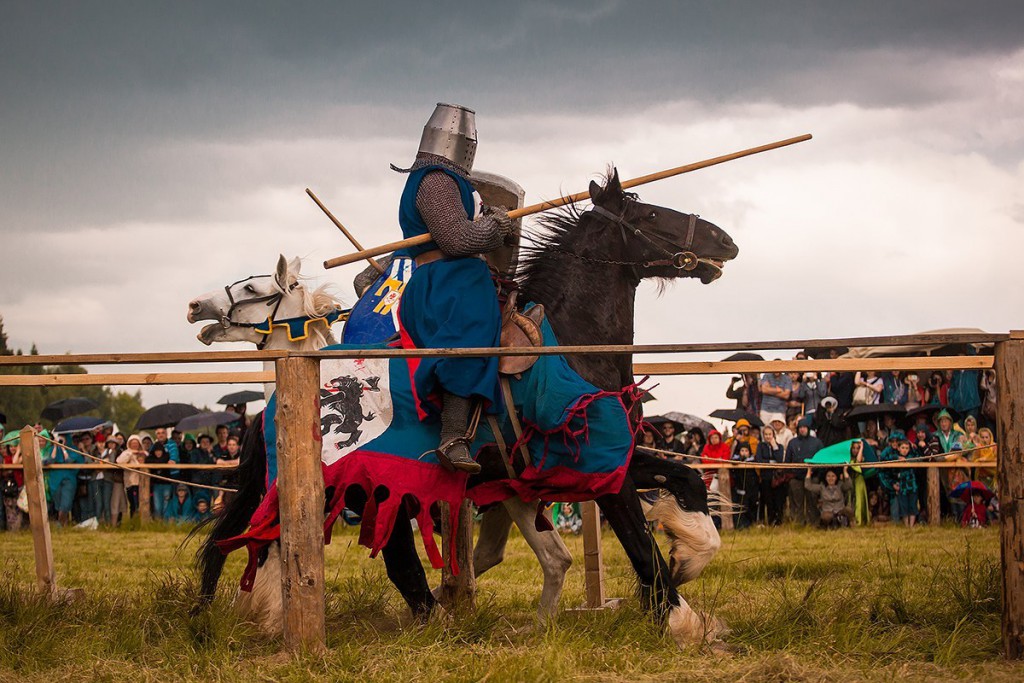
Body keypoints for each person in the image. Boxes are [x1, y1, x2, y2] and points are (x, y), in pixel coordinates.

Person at [390, 103, 514, 474]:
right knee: (468, 335)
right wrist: (496, 227)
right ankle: (453, 435)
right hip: (448, 284)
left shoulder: (448, 181)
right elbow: (457, 239)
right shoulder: (436, 180)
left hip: (459, 279)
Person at [784, 418, 824, 525]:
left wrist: (819, 476)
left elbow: (822, 460)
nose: (802, 430)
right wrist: (790, 475)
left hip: (812, 477)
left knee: (812, 502)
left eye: (804, 427)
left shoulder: (817, 442)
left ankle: (814, 523)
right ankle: (797, 523)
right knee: (797, 502)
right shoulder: (792, 443)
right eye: (800, 427)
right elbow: (787, 461)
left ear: (808, 428)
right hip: (796, 478)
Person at [44, 436, 83, 526]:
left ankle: (61, 524)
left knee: (66, 502)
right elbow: (50, 460)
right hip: (55, 479)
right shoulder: (52, 449)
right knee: (58, 502)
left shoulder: (73, 449)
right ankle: (62, 525)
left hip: (69, 478)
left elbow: (69, 460)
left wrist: (63, 448)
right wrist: (55, 446)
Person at [879, 439, 918, 527]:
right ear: (899, 448)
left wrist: (909, 456)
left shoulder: (912, 456)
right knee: (904, 506)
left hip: (912, 486)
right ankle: (906, 525)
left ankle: (911, 526)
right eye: (903, 448)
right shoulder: (894, 458)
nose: (905, 450)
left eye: (907, 448)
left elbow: (919, 458)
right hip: (901, 487)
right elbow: (890, 472)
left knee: (913, 505)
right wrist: (894, 483)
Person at [755, 425, 786, 526]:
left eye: (770, 434)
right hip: (765, 477)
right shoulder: (760, 446)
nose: (768, 436)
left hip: (777, 478)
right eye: (766, 434)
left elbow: (779, 460)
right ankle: (768, 521)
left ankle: (778, 522)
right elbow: (759, 460)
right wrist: (771, 462)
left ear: (773, 435)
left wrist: (774, 447)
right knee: (768, 501)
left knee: (778, 500)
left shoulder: (779, 447)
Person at [116, 434, 147, 518]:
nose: (134, 445)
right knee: (133, 503)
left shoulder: (143, 453)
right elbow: (119, 461)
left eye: (136, 443)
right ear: (129, 444)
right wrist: (131, 453)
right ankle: (133, 521)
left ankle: (142, 521)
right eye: (133, 443)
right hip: (131, 483)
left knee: (142, 503)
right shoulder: (126, 453)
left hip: (142, 482)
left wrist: (141, 454)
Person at [730, 443, 758, 529]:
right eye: (742, 451)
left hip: (751, 489)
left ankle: (750, 523)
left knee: (750, 506)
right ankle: (740, 525)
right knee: (738, 507)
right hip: (739, 489)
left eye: (746, 451)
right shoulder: (735, 461)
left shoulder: (753, 461)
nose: (744, 453)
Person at [97, 436, 122, 525]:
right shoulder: (95, 452)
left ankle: (108, 524)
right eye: (109, 443)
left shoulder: (114, 452)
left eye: (113, 443)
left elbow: (111, 462)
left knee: (107, 503)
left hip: (108, 479)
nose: (111, 445)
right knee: (98, 503)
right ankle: (98, 524)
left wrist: (102, 463)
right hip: (96, 479)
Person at [145, 443, 172, 519]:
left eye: (160, 451)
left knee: (166, 504)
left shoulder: (167, 456)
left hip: (166, 484)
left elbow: (164, 459)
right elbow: (147, 460)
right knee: (157, 504)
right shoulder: (150, 458)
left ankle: (166, 521)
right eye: (156, 451)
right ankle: (158, 521)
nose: (158, 453)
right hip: (156, 484)